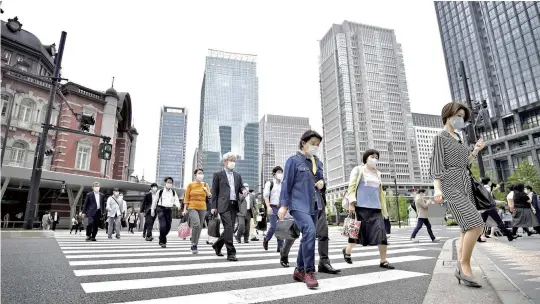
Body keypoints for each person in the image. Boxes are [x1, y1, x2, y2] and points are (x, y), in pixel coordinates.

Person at [431, 102, 485, 288]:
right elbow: (437, 165)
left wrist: (476, 150)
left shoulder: (459, 138)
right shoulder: (440, 137)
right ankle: (464, 265)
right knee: (476, 224)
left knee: (465, 229)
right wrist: (437, 189)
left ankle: (462, 268)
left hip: (465, 182)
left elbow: (466, 164)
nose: (461, 120)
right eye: (458, 115)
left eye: (463, 117)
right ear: (448, 115)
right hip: (450, 183)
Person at [278, 130, 325, 289]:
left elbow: (321, 179)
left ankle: (299, 269)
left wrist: (322, 183)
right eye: (312, 143)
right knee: (310, 232)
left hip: (315, 204)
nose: (315, 147)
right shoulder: (293, 161)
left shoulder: (318, 162)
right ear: (303, 142)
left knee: (308, 235)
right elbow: (286, 183)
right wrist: (284, 205)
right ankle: (309, 271)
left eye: (317, 145)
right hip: (298, 204)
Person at [343, 149, 394, 270]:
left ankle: (383, 261)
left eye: (377, 157)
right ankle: (347, 250)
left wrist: (384, 208)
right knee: (356, 234)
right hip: (360, 207)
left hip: (376, 208)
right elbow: (352, 186)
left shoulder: (378, 173)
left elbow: (379, 192)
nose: (374, 158)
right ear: (366, 157)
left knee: (381, 233)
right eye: (372, 156)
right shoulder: (358, 169)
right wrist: (351, 203)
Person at [280, 182, 340, 274]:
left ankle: (324, 262)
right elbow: (288, 184)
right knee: (294, 231)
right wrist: (285, 205)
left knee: (323, 233)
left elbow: (322, 184)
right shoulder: (298, 168)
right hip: (302, 204)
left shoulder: (318, 168)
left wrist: (322, 184)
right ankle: (284, 253)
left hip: (319, 203)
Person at [210, 152, 246, 262]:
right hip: (223, 204)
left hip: (234, 205)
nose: (233, 163)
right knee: (229, 227)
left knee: (228, 228)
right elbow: (214, 192)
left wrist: (244, 190)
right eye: (231, 160)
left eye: (234, 161)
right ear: (225, 161)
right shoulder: (218, 174)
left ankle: (217, 245)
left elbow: (241, 187)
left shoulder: (237, 175)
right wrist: (213, 206)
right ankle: (231, 252)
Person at [183, 168, 212, 254]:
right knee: (196, 224)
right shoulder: (190, 185)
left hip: (202, 208)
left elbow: (210, 196)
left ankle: (195, 243)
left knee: (199, 227)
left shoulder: (205, 185)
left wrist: (206, 191)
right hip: (192, 207)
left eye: (202, 173)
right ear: (195, 175)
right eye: (199, 173)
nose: (201, 175)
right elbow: (186, 198)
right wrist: (185, 209)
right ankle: (193, 243)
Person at [477, 177, 515, 241]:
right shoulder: (488, 189)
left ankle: (478, 237)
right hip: (490, 208)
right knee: (499, 222)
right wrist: (501, 202)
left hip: (483, 209)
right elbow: (491, 200)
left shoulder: (480, 188)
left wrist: (501, 202)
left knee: (482, 223)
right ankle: (509, 234)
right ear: (489, 182)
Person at [151, 177, 180, 248]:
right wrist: (152, 209)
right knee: (163, 225)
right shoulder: (160, 191)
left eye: (171, 182)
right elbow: (155, 201)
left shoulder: (173, 192)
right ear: (165, 183)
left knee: (168, 226)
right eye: (168, 182)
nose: (169, 184)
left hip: (169, 210)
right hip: (160, 209)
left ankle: (161, 236)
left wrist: (178, 205)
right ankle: (163, 241)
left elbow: (176, 200)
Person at [263, 166, 284, 252]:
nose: (280, 174)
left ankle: (280, 246)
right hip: (272, 207)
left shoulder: (283, 184)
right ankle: (266, 239)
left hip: (281, 208)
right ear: (274, 174)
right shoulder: (270, 183)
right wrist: (268, 206)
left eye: (281, 172)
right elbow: (266, 195)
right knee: (273, 226)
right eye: (278, 172)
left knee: (281, 227)